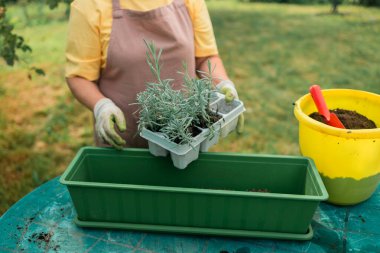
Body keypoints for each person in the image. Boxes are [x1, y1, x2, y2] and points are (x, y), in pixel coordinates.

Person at [65, 0, 244, 149]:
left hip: (185, 138)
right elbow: (80, 76)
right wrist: (101, 106)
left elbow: (205, 57)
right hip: (124, 140)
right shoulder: (90, 5)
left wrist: (223, 85)